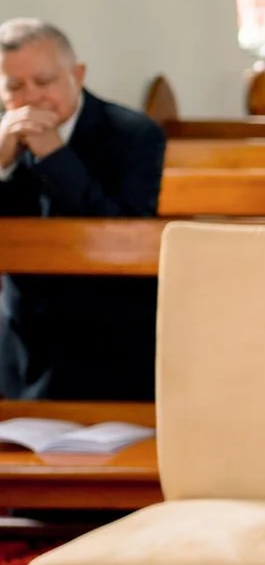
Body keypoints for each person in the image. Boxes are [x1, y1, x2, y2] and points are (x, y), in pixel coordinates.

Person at [0, 20, 165, 401]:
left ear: (77, 74)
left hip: (111, 340)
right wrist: (3, 165)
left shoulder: (134, 134)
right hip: (22, 347)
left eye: (44, 82)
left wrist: (54, 156)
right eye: (15, 87)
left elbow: (125, 235)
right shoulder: (3, 136)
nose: (31, 98)